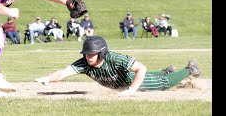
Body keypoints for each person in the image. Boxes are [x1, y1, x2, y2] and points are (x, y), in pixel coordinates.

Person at [35, 36, 201, 96]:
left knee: (163, 84)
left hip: (131, 81)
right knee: (156, 76)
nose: (88, 56)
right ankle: (165, 71)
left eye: (92, 53)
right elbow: (64, 73)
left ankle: (190, 69)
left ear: (102, 53)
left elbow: (140, 69)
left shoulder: (115, 58)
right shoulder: (85, 63)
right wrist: (48, 79)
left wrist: (132, 90)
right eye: (86, 53)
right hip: (123, 83)